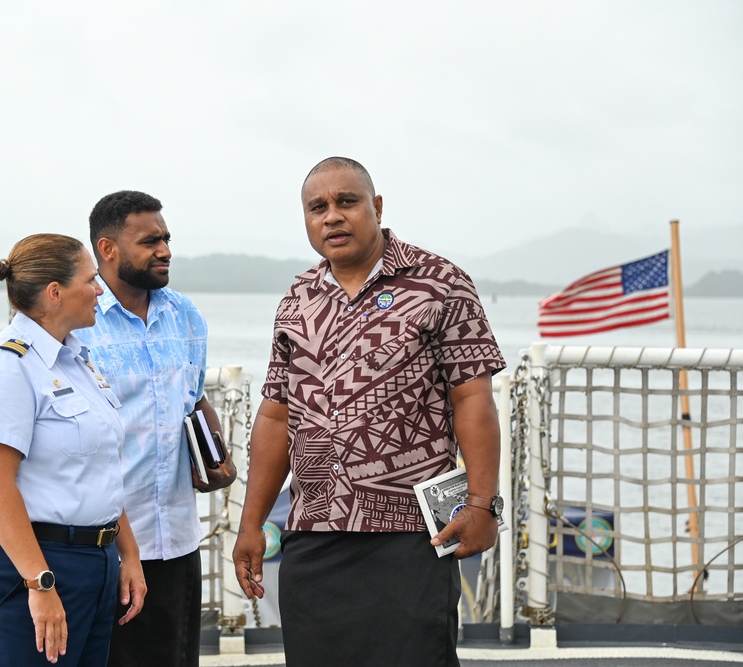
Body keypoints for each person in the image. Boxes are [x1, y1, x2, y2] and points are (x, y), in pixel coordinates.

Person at [231, 157, 506, 667]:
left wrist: (484, 504)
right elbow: (276, 416)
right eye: (318, 208)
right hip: (314, 530)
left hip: (415, 533)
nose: (332, 216)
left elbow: (473, 399)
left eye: (346, 202)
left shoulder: (440, 283)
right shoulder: (298, 300)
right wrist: (250, 524)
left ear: (376, 207)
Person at [0, 233, 146, 666]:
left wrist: (127, 553)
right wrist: (40, 584)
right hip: (26, 566)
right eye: (92, 280)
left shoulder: (75, 362)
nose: (101, 290)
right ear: (55, 293)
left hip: (92, 565)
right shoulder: (7, 366)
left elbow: (97, 471)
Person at [80, 190, 236, 667]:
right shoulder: (77, 321)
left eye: (166, 239)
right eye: (150, 241)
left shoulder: (184, 315)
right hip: (102, 542)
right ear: (108, 249)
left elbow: (193, 396)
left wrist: (216, 455)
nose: (165, 250)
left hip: (176, 537)